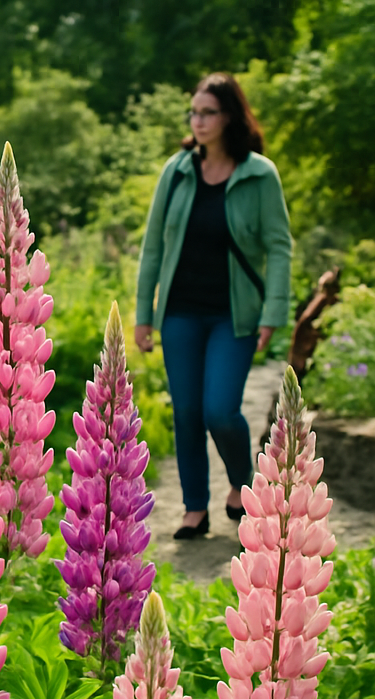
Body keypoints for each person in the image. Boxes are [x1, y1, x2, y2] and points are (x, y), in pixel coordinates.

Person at [134, 72, 292, 540]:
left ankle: (243, 484)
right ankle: (194, 508)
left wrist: (273, 313)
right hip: (180, 310)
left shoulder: (260, 173)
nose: (197, 121)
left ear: (229, 117)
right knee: (186, 412)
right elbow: (153, 248)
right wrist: (145, 314)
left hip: (234, 314)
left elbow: (279, 246)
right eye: (194, 112)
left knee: (219, 410)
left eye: (207, 112)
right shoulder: (178, 169)